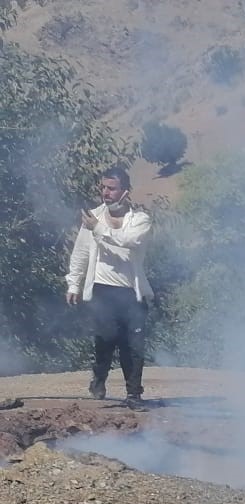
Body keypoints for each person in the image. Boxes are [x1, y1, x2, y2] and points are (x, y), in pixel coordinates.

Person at [66, 165, 154, 407]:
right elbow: (81, 252)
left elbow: (129, 241)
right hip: (102, 289)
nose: (106, 192)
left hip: (130, 292)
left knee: (133, 345)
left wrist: (99, 229)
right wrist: (74, 283)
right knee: (106, 338)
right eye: (103, 187)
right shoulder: (93, 217)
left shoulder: (139, 220)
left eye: (112, 188)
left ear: (125, 191)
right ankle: (99, 377)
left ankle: (134, 394)